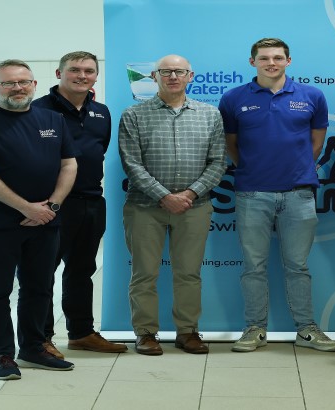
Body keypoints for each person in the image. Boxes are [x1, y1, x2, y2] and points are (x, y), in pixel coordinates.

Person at [219, 37, 335, 353]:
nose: (271, 63)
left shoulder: (312, 96)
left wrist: (295, 170)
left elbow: (316, 143)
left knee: (298, 266)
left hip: (299, 193)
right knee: (253, 267)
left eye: (277, 57)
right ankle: (254, 329)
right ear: (253, 62)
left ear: (288, 60)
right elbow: (231, 144)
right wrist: (253, 169)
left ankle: (307, 329)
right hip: (252, 193)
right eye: (264, 58)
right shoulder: (233, 98)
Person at [0, 59, 78, 380]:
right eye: (8, 83)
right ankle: (2, 354)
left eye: (24, 81)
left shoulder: (53, 120)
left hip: (46, 220)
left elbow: (69, 165)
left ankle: (33, 347)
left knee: (39, 287)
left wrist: (51, 206)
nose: (17, 88)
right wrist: (27, 208)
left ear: (34, 85)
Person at [119, 54, 226, 356]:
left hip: (195, 207)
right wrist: (164, 196)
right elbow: (131, 164)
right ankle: (145, 333)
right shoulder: (134, 114)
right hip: (144, 207)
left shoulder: (210, 114)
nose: (173, 77)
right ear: (154, 77)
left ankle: (187, 331)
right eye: (165, 72)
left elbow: (218, 161)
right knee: (144, 274)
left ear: (190, 76)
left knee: (189, 273)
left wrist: (190, 194)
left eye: (179, 71)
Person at [32, 51, 127, 357]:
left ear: (96, 76)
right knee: (42, 273)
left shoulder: (101, 112)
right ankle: (41, 338)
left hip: (91, 202)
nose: (82, 75)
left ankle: (81, 333)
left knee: (82, 270)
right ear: (59, 73)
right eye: (74, 70)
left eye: (89, 70)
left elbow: (98, 151)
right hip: (51, 205)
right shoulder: (37, 110)